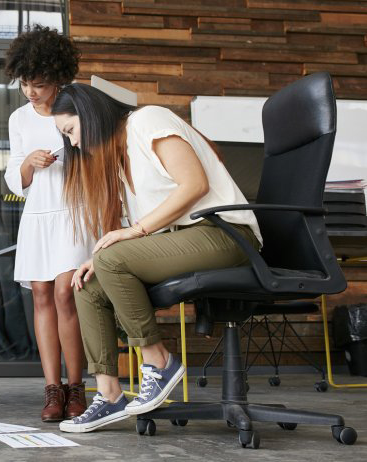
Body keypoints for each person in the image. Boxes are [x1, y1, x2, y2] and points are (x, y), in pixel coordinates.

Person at [51, 83, 262, 433]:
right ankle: (109, 394)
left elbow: (195, 185)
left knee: (111, 260)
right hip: (186, 240)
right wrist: (100, 257)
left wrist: (131, 235)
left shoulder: (147, 121)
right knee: (88, 284)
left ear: (89, 114)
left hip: (226, 234)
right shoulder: (118, 161)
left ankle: (159, 361)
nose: (72, 143)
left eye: (71, 130)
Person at [3, 25, 93, 422]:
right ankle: (52, 390)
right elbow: (14, 178)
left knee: (64, 294)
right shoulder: (19, 118)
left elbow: (96, 161)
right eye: (25, 83)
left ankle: (77, 387)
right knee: (40, 294)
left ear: (57, 76)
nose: (30, 92)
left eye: (38, 84)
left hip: (73, 212)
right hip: (38, 214)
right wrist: (28, 163)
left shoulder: (78, 106)